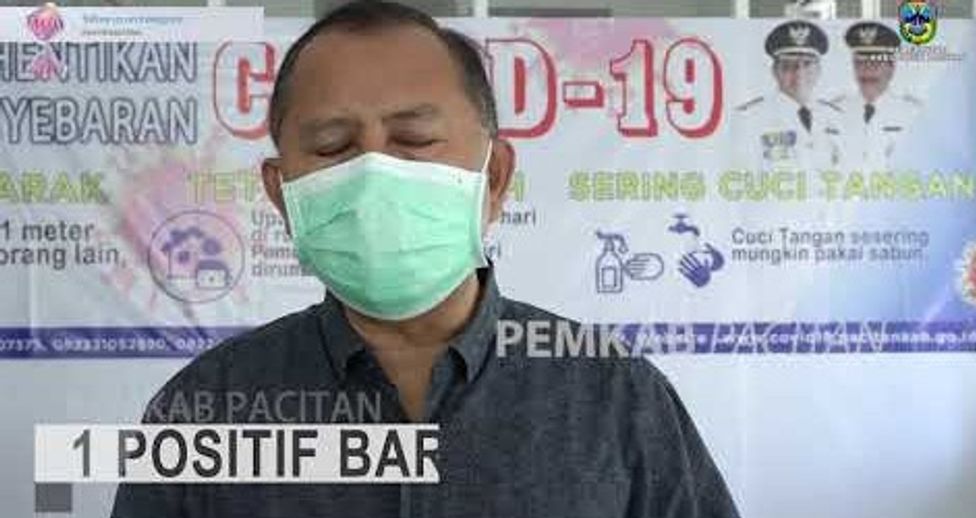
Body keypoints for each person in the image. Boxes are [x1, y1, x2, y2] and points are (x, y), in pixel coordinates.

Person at [111, 2, 740, 517]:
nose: (374, 174)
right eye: (332, 146)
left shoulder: (616, 398)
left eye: (414, 139)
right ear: (281, 193)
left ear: (495, 176)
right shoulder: (204, 410)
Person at [734, 20, 842, 173]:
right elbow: (740, 177)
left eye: (807, 64)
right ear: (775, 71)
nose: (799, 74)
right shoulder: (749, 118)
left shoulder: (836, 117)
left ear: (819, 70)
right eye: (789, 66)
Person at [831, 21, 922, 172]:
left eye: (875, 64)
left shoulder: (913, 113)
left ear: (891, 68)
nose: (867, 72)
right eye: (860, 63)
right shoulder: (833, 111)